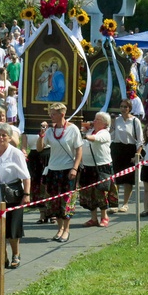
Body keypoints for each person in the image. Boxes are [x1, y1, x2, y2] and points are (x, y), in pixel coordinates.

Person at [0, 124, 30, 268]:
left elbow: (26, 176)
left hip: (12, 194)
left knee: (12, 228)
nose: (1, 137)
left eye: (5, 135)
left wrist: (26, 194)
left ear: (10, 137)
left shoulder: (15, 153)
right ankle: (2, 257)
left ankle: (16, 254)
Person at [37, 103, 82, 243]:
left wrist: (75, 168)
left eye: (54, 114)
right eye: (50, 113)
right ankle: (59, 228)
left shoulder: (73, 129)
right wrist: (41, 134)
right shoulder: (50, 131)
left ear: (62, 114)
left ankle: (67, 229)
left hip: (68, 169)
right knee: (55, 201)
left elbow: (79, 150)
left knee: (67, 201)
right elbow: (39, 148)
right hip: (53, 169)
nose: (51, 116)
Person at [79, 112, 114, 227]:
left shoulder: (105, 133)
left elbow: (95, 139)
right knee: (89, 194)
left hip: (101, 166)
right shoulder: (89, 131)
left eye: (97, 120)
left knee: (101, 192)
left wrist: (85, 136)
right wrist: (83, 131)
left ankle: (104, 217)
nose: (94, 121)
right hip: (87, 167)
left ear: (104, 123)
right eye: (94, 119)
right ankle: (93, 218)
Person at [111, 98, 143, 212]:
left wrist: (137, 154)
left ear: (130, 108)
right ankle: (114, 203)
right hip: (117, 148)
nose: (123, 109)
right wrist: (112, 126)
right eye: (122, 107)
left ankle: (125, 203)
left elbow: (140, 140)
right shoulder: (117, 120)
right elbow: (112, 136)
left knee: (128, 179)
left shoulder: (135, 121)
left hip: (129, 149)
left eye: (126, 107)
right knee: (116, 178)